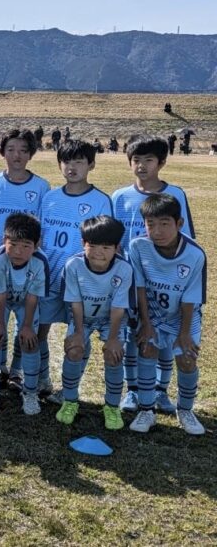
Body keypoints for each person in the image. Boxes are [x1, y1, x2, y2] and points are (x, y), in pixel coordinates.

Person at [111, 134, 195, 413]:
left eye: (149, 160)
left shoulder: (175, 195)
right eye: (136, 160)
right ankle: (133, 390)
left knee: (164, 334)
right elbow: (112, 239)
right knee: (132, 335)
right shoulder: (120, 197)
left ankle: (161, 390)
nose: (142, 166)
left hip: (163, 282)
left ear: (161, 163)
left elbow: (187, 239)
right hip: (129, 280)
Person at [37, 139, 113, 400]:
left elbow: (105, 244)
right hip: (48, 277)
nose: (72, 167)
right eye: (67, 161)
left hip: (82, 283)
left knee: (79, 335)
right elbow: (40, 238)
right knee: (39, 330)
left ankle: (70, 389)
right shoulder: (49, 198)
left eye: (79, 162)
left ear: (91, 165)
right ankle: (41, 379)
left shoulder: (101, 201)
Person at [128, 194, 207, 436]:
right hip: (151, 312)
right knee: (147, 348)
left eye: (164, 224)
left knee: (187, 358)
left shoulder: (195, 254)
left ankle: (185, 410)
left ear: (179, 223)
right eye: (150, 224)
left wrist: (184, 333)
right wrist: (146, 324)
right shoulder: (138, 246)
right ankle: (147, 409)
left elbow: (191, 298)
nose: (157, 231)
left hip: (183, 315)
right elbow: (140, 287)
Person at [54, 216, 131, 430]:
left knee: (114, 355)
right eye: (93, 246)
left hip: (110, 319)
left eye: (106, 247)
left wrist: (113, 339)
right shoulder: (73, 265)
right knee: (74, 350)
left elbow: (118, 308)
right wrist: (78, 333)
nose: (98, 252)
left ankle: (112, 407)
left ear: (117, 248)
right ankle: (70, 401)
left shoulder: (124, 269)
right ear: (83, 244)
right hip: (83, 317)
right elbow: (75, 303)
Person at [0, 213, 49, 415]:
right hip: (1, 300)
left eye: (26, 246)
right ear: (4, 240)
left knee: (30, 341)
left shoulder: (40, 261)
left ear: (36, 245)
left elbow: (33, 297)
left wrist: (27, 326)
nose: (18, 251)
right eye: (13, 244)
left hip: (26, 302)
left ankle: (30, 392)